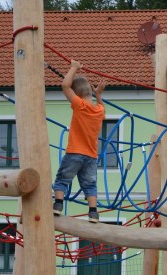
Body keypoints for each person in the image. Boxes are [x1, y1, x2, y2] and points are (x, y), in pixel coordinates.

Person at [52, 59, 105, 223]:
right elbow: (101, 106)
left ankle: (58, 204)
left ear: (77, 95)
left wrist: (73, 68)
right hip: (91, 156)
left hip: (75, 152)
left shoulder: (79, 105)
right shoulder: (99, 110)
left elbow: (65, 86)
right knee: (90, 185)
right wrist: (98, 94)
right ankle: (93, 212)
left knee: (62, 179)